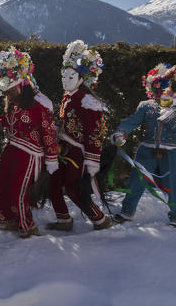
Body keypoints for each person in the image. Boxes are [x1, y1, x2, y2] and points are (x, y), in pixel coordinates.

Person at [0, 47, 58, 238]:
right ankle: (7, 221)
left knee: (18, 191)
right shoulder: (13, 102)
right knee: (3, 186)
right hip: (12, 148)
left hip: (30, 154)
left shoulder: (38, 105)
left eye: (10, 89)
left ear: (21, 85)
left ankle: (27, 227)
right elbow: (6, 121)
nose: (7, 94)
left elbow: (49, 132)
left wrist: (52, 159)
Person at [111, 63, 176, 228]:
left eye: (170, 89)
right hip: (147, 149)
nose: (166, 92)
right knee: (136, 181)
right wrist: (121, 132)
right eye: (161, 89)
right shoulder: (147, 106)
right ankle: (127, 211)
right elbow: (132, 121)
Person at [47, 40, 111, 231]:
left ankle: (100, 219)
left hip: (78, 153)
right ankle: (63, 220)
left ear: (82, 78)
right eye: (63, 76)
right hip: (63, 149)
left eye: (70, 76)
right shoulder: (69, 97)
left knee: (73, 188)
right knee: (54, 182)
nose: (65, 80)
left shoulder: (87, 101)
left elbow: (95, 133)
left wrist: (93, 160)